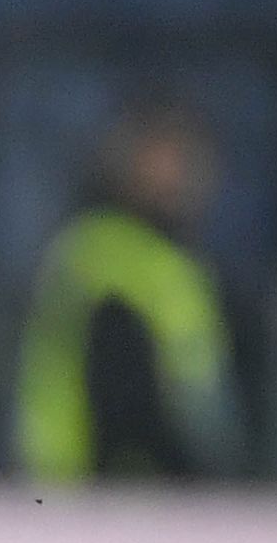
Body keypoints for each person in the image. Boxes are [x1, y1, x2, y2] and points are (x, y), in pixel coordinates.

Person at [18, 100, 247, 483]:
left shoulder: (180, 263)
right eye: (161, 159)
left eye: (184, 160)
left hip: (152, 491)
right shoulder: (98, 255)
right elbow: (122, 398)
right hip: (96, 486)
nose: (175, 175)